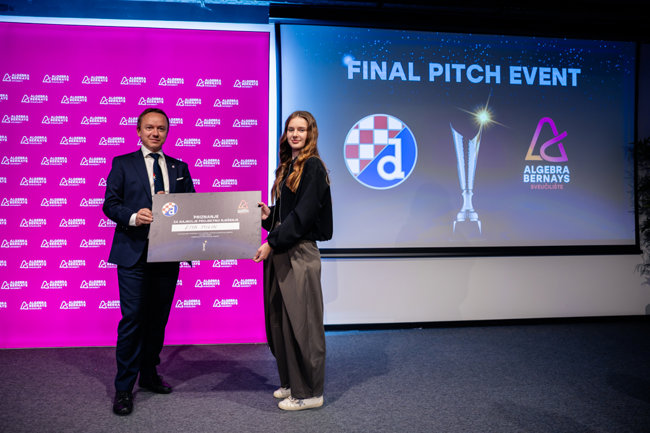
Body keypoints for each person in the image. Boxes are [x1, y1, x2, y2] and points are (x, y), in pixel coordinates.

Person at [103, 108, 195, 416]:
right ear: (139, 131)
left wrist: (178, 209)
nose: (155, 133)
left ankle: (149, 374)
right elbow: (110, 204)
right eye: (149, 128)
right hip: (134, 253)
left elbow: (193, 206)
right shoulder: (122, 163)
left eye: (161, 128)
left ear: (167, 132)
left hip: (167, 254)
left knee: (157, 320)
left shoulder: (180, 167)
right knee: (133, 319)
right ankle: (123, 387)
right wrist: (133, 216)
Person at [253, 110, 333, 411]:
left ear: (311, 133)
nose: (295, 134)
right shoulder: (289, 166)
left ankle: (310, 392)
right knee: (281, 323)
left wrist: (271, 242)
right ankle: (291, 382)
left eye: (301, 129)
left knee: (304, 326)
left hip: (299, 253)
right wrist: (269, 215)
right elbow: (289, 214)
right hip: (282, 251)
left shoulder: (313, 166)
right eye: (291, 129)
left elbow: (304, 216)